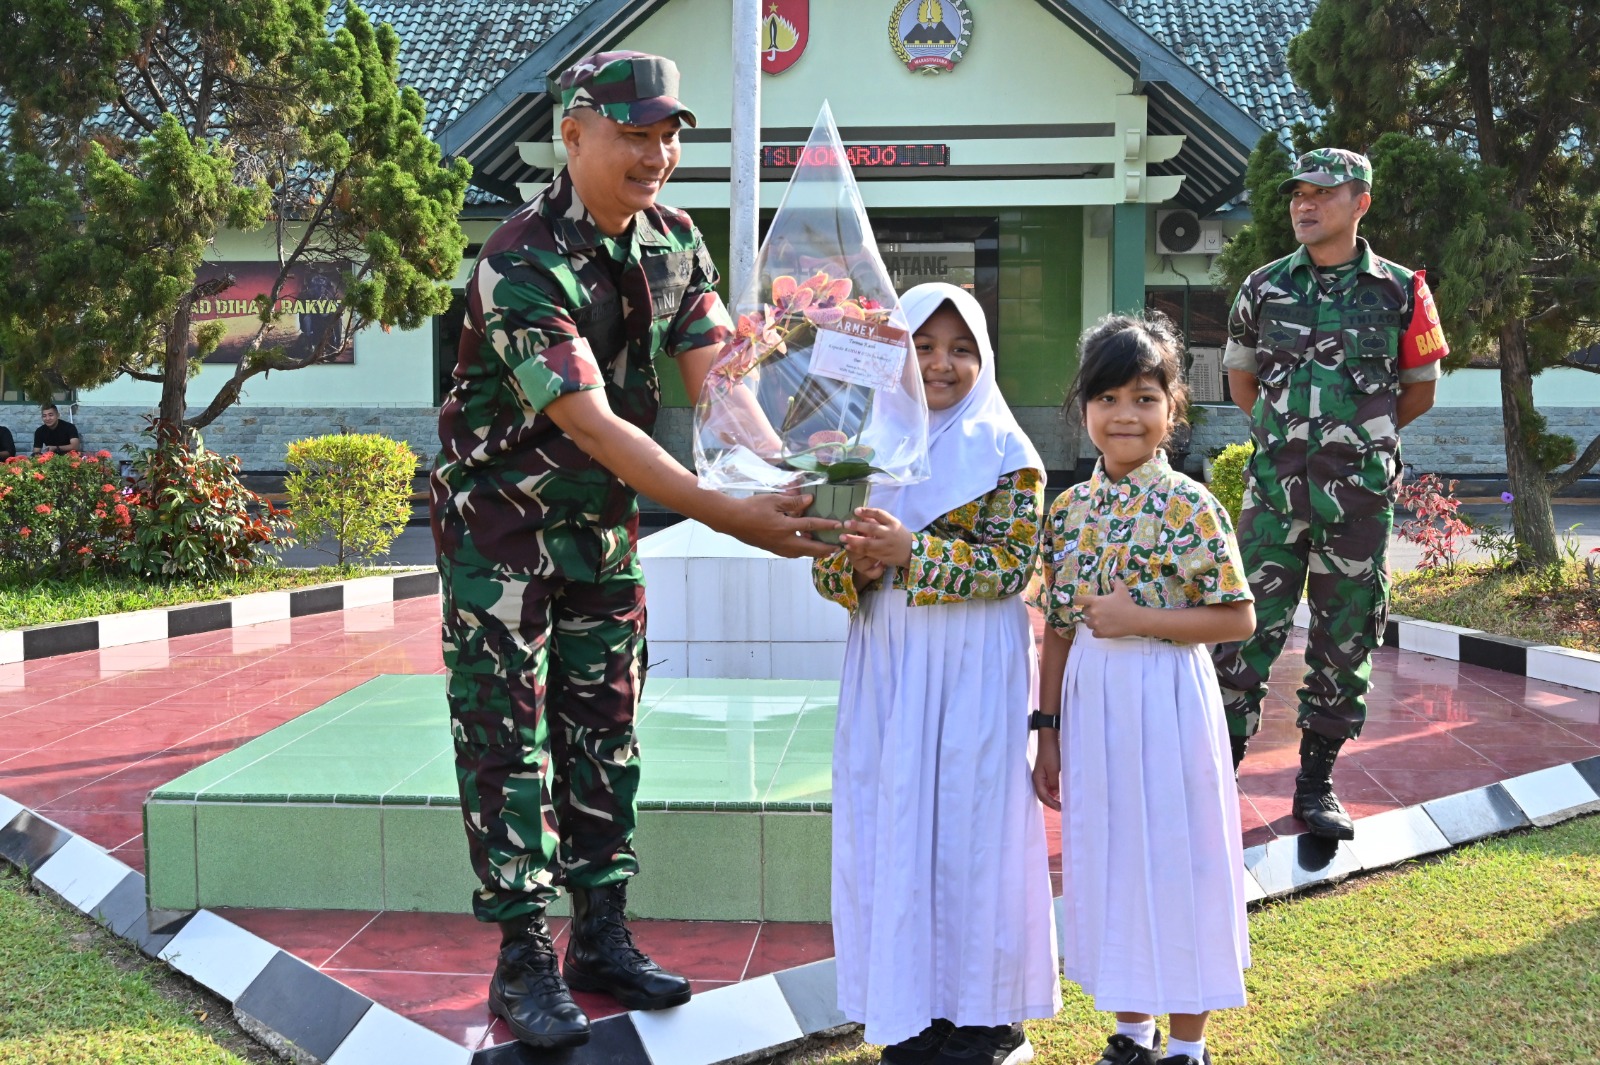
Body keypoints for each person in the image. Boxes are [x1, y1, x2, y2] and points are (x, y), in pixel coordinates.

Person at [429, 51, 837, 1051]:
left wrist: (793, 482)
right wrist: (725, 513)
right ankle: (523, 956)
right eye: (634, 133)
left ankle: (600, 936)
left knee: (605, 729)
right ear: (574, 136)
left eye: (669, 135)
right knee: (506, 745)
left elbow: (719, 384)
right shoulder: (519, 258)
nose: (657, 154)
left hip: (604, 532)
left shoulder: (674, 240)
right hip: (503, 539)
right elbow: (593, 422)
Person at [814, 283, 1061, 1065]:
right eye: (923, 347)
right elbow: (820, 568)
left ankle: (984, 1016)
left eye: (961, 349)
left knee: (972, 827)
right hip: (888, 662)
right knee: (893, 822)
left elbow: (1013, 564)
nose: (941, 364)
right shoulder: (861, 448)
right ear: (896, 356)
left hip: (973, 664)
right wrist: (851, 563)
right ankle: (909, 1009)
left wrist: (909, 552)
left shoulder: (1005, 452)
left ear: (984, 359)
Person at [1031, 314, 1256, 1065]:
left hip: (1168, 697)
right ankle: (1131, 1034)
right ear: (1083, 406)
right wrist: (1049, 728)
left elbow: (1238, 617)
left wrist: (1142, 618)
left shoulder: (1190, 504)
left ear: (1172, 409)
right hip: (1093, 703)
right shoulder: (1066, 512)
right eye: (1107, 397)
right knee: (1112, 855)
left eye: (1144, 397)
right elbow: (1059, 627)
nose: (1124, 414)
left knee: (1180, 858)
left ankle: (1187, 1047)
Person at [1211, 148, 1447, 839]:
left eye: (1322, 192)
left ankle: (1316, 784)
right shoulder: (1263, 287)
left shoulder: (1401, 291)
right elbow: (1241, 378)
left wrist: (1357, 444)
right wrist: (1280, 440)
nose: (1304, 204)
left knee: (1345, 639)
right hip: (1274, 497)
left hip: (1359, 502)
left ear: (1361, 202)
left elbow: (1420, 388)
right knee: (1242, 631)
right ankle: (1215, 772)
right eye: (1297, 194)